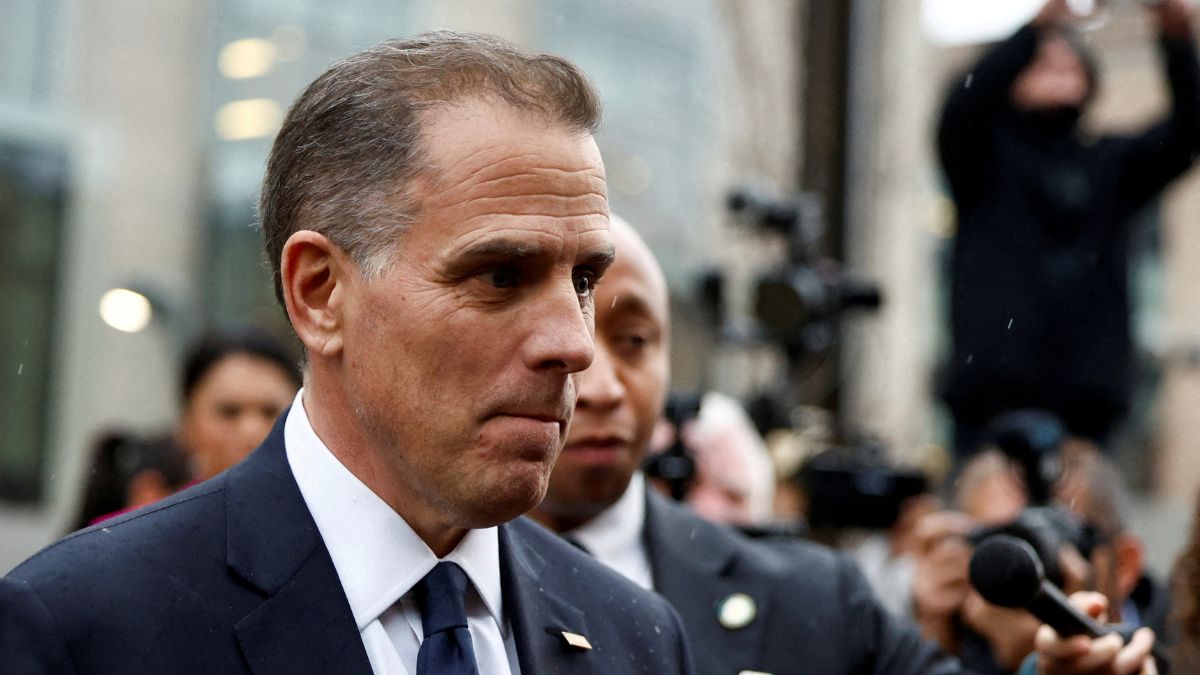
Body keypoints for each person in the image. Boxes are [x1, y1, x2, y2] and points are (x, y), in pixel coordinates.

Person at [0, 31, 695, 674]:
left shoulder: (639, 638)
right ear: (320, 292)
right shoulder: (86, 629)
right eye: (500, 275)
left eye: (582, 280)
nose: (576, 345)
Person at [529, 214, 964, 674]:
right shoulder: (451, 597)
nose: (603, 387)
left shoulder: (814, 605)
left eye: (635, 341)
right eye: (564, 336)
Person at [938, 0, 1200, 456]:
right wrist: (1039, 25)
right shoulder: (981, 157)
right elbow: (963, 106)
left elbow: (1188, 133)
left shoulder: (1113, 164)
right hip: (992, 396)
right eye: (1042, 63)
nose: (1056, 68)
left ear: (1090, 83)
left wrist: (1176, 39)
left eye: (1070, 64)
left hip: (1085, 399)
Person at [177, 328, 303, 481]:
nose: (251, 431)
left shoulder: (330, 503)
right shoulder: (164, 506)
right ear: (188, 424)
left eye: (269, 412)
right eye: (229, 412)